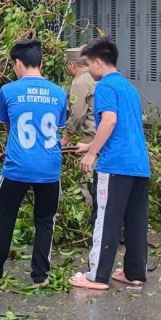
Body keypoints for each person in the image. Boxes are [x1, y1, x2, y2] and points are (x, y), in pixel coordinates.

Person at [0, 39, 68, 286]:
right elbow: (59, 127)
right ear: (41, 63)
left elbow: (8, 127)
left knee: (4, 215)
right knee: (45, 220)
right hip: (50, 169)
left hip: (17, 168)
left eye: (13, 65)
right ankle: (39, 276)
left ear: (18, 63)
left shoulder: (8, 91)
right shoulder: (59, 93)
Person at [70, 39, 151, 291]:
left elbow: (110, 121)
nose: (87, 69)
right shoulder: (127, 87)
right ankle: (134, 273)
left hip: (115, 165)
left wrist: (92, 153)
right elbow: (123, 127)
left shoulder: (104, 85)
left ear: (97, 62)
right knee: (136, 220)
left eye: (87, 64)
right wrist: (91, 145)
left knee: (106, 219)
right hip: (139, 164)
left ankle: (97, 275)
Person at [62, 46, 98, 225]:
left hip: (92, 138)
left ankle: (86, 221)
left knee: (86, 180)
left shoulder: (80, 82)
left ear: (72, 65)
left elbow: (77, 114)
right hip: (106, 137)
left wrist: (66, 137)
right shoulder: (97, 77)